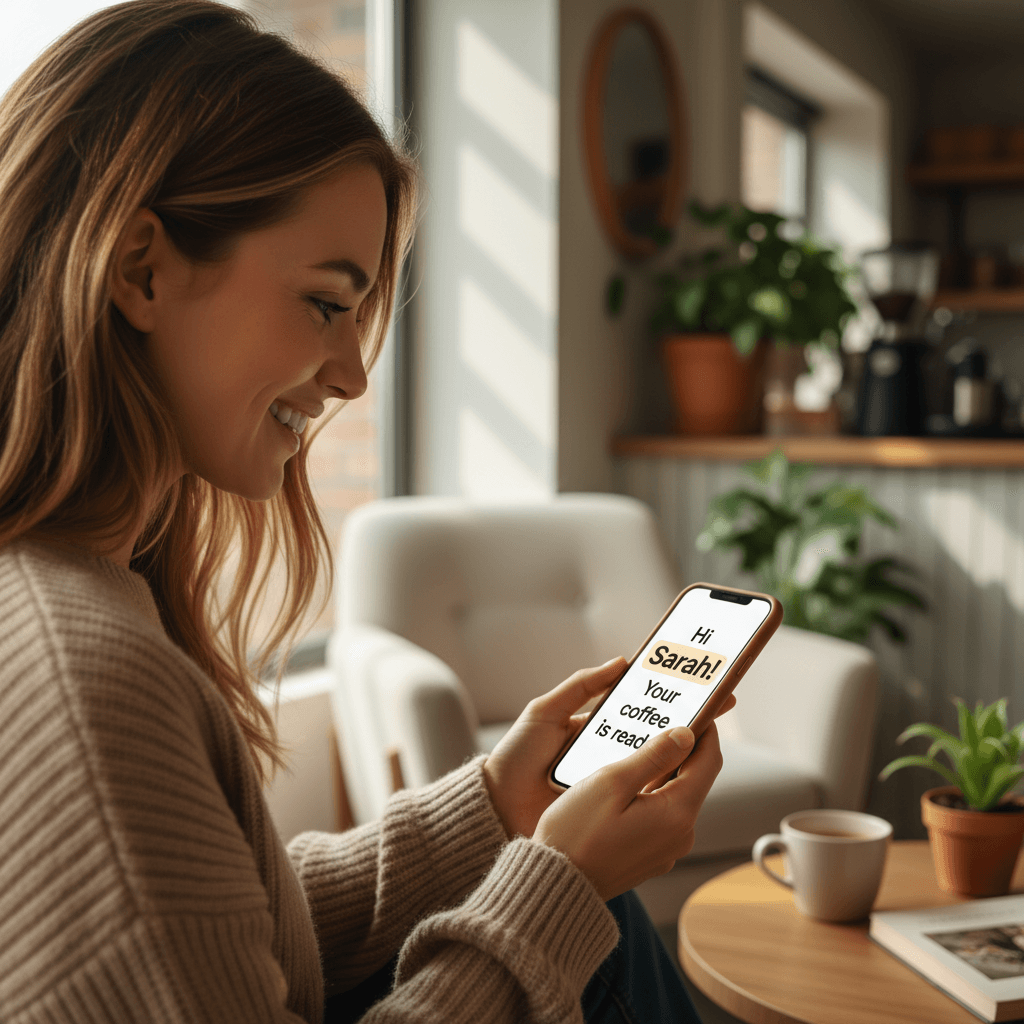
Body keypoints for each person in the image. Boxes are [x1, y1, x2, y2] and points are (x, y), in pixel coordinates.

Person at [0, 3, 730, 1021]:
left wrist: (490, 809)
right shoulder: (88, 679)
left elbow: (209, 932)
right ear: (140, 269)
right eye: (325, 303)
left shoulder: (78, 593)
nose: (349, 372)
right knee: (595, 933)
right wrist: (554, 887)